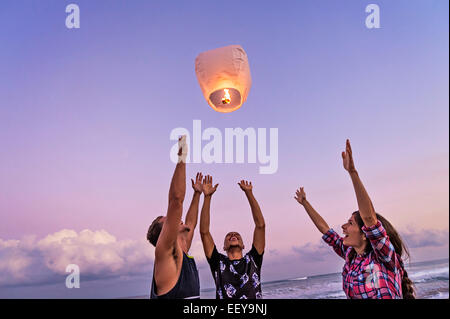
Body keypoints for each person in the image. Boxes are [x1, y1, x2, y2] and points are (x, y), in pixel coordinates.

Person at [294, 139, 415, 299]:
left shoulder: (382, 256)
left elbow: (369, 218)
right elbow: (325, 230)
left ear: (365, 233)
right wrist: (305, 203)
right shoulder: (351, 255)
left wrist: (352, 172)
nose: (343, 226)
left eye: (350, 223)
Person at [146, 136, 202, 299]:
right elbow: (176, 202)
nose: (176, 218)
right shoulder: (166, 254)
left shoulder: (182, 252)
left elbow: (191, 222)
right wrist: (182, 156)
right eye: (168, 220)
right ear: (165, 233)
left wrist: (197, 193)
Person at [200, 176, 266, 299]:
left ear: (243, 245)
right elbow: (204, 232)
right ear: (224, 247)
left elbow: (260, 226)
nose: (233, 235)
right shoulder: (218, 262)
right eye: (229, 235)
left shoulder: (253, 260)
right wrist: (207, 197)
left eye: (237, 235)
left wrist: (249, 194)